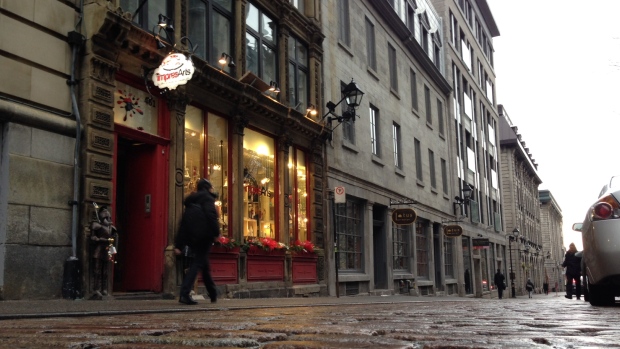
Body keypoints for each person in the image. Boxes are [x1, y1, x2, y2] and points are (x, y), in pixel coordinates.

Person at [174, 178, 220, 305]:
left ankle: (212, 292)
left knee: (203, 264)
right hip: (204, 236)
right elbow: (211, 216)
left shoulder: (191, 202)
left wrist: (179, 244)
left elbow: (183, 224)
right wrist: (216, 233)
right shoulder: (207, 199)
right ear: (207, 188)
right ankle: (184, 293)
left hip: (193, 237)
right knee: (197, 264)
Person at [90, 205, 117, 299]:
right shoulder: (97, 225)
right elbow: (93, 238)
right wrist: (100, 239)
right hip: (99, 249)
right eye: (106, 217)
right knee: (97, 270)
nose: (108, 218)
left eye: (108, 217)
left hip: (107, 249)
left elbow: (114, 239)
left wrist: (113, 246)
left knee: (105, 271)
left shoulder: (112, 228)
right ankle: (96, 289)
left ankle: (104, 289)